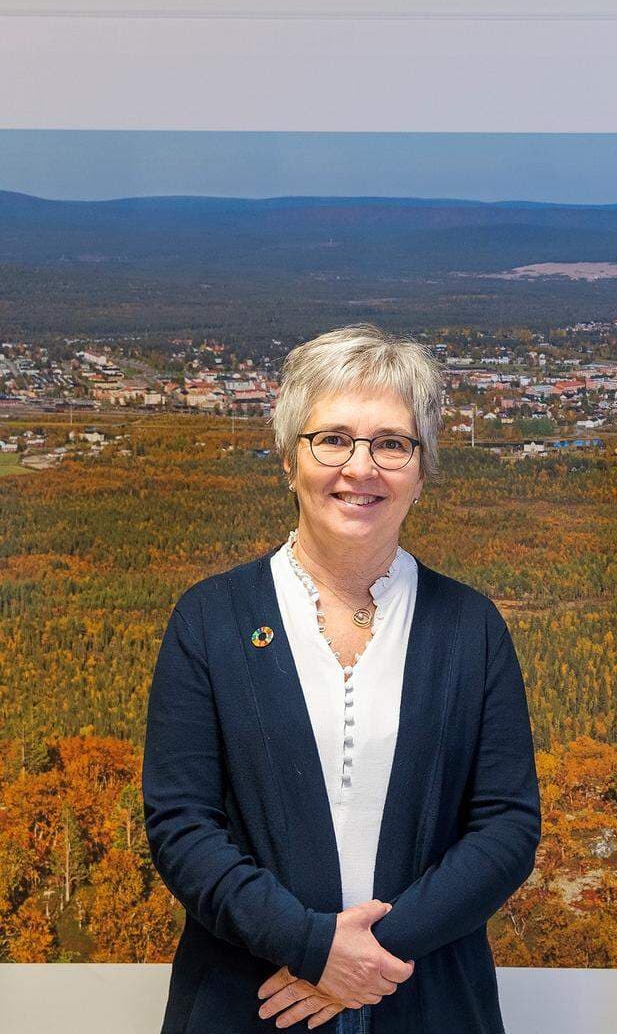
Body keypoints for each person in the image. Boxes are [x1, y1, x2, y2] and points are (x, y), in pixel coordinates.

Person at [143, 324, 539, 1033]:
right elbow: (182, 825)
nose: (361, 467)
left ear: (422, 469)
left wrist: (368, 959)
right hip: (252, 1001)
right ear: (288, 459)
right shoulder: (209, 619)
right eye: (332, 439)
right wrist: (311, 948)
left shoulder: (471, 627)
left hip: (428, 998)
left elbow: (507, 827)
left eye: (391, 443)